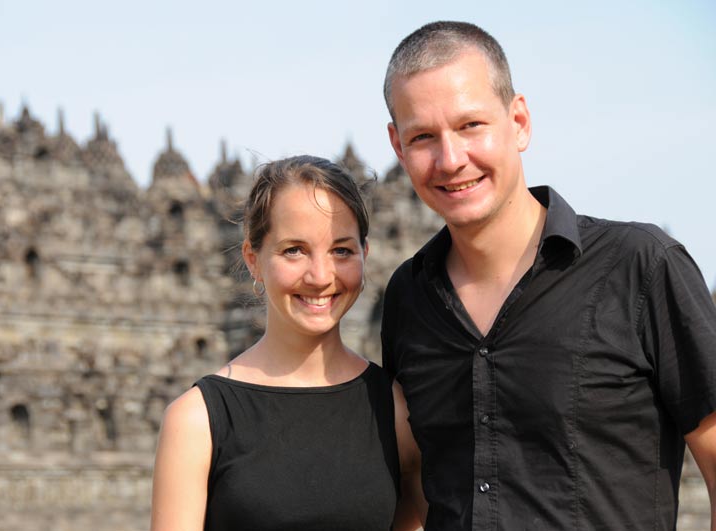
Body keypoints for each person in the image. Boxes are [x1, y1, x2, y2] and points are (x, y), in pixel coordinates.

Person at [381, 21, 716, 530]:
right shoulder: (408, 298)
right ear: (398, 147)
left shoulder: (641, 266)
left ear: (518, 121)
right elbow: (416, 491)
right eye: (423, 136)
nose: (451, 160)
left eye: (471, 125)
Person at [150, 155, 425, 531]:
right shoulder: (197, 421)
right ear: (253, 259)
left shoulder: (395, 411)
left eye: (341, 250)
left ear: (366, 254)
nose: (320, 276)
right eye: (294, 250)